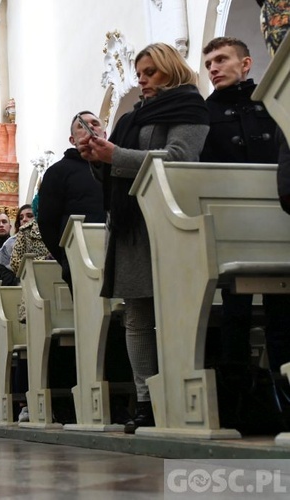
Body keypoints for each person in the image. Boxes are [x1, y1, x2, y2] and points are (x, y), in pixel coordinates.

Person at [80, 42, 209, 434]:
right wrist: (97, 161)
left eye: (149, 72)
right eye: (138, 74)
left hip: (170, 223)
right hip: (133, 225)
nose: (142, 81)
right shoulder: (135, 116)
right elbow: (115, 171)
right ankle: (145, 402)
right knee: (136, 317)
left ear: (171, 68)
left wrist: (114, 155)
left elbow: (179, 159)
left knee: (172, 312)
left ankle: (178, 396)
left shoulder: (189, 107)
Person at [201, 37, 290, 374]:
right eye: (209, 63)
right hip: (229, 224)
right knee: (234, 313)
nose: (214, 68)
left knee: (282, 309)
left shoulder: (270, 105)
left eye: (221, 60)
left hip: (277, 219)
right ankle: (238, 393)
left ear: (246, 64)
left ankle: (283, 388)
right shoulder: (203, 113)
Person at [37, 111, 107, 291]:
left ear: (105, 134)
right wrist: (68, 256)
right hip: (80, 258)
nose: (90, 127)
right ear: (72, 140)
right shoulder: (57, 172)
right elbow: (47, 223)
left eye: (95, 123)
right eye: (81, 125)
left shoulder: (117, 165)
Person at [0, 205, 35, 286]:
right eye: (21, 218)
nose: (24, 219)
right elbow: (5, 276)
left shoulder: (49, 238)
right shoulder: (9, 244)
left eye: (30, 216)